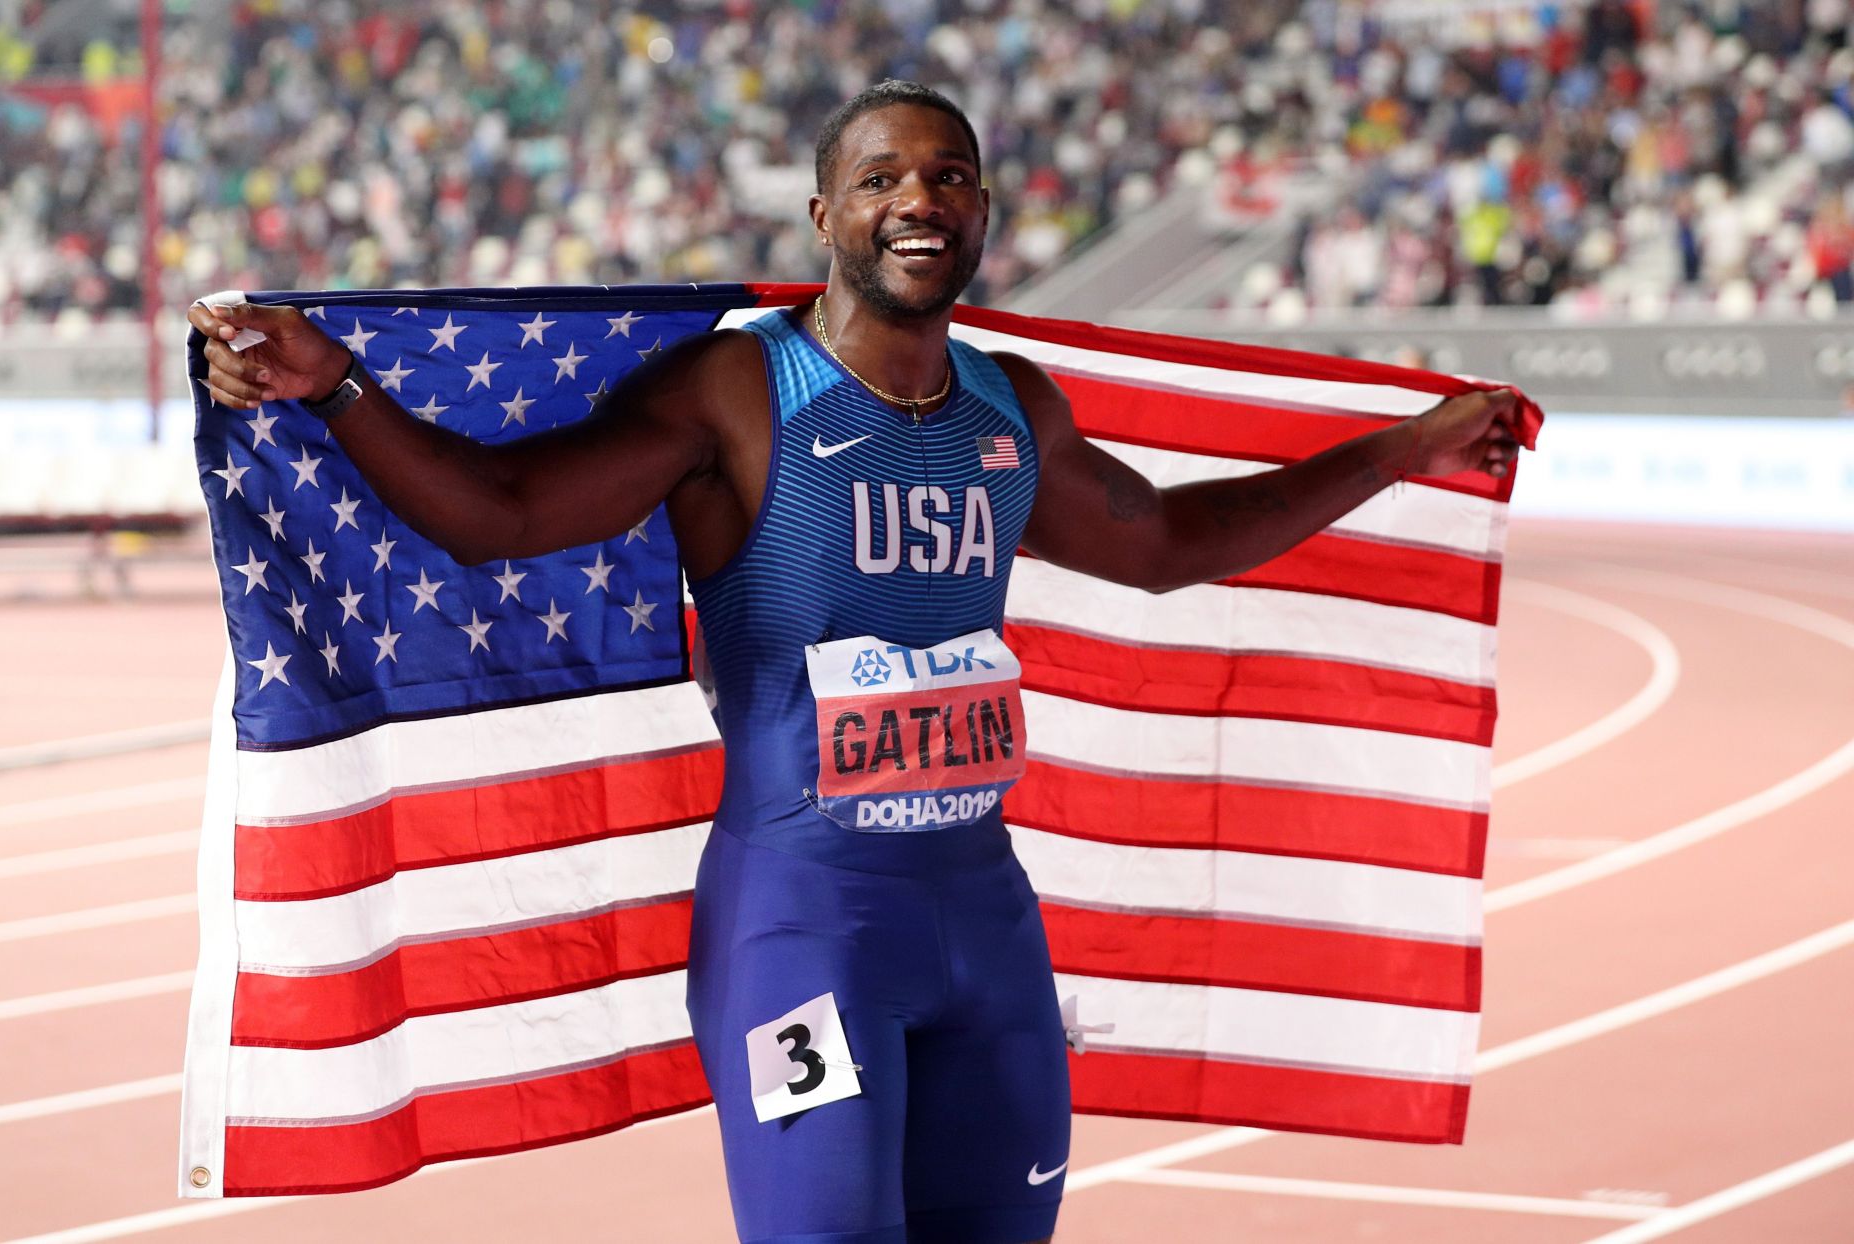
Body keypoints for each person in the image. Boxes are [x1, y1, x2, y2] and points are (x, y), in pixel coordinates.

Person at [189, 79, 1519, 1244]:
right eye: (879, 177)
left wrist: (1400, 452)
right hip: (804, 929)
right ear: (825, 219)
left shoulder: (1011, 406)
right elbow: (510, 515)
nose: (916, 199)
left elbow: (1167, 541)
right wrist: (341, 387)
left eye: (947, 177)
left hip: (987, 929)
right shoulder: (734, 392)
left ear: (984, 214)